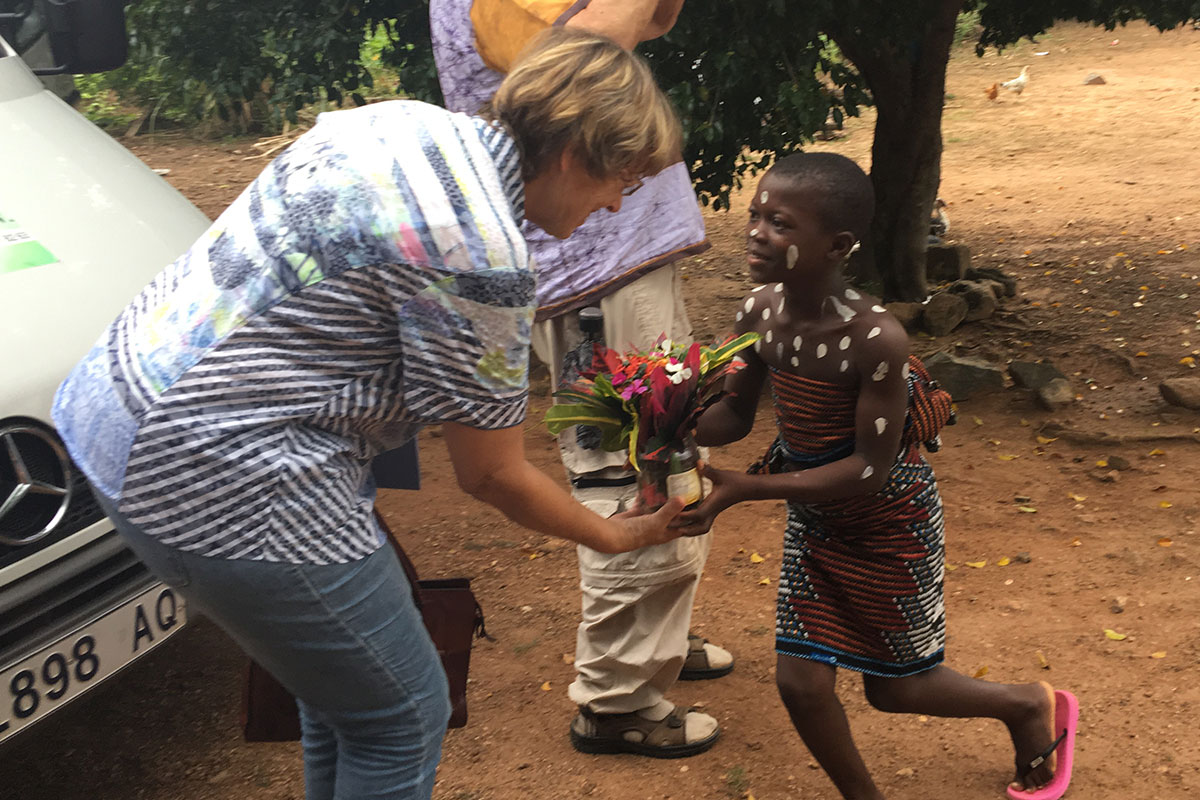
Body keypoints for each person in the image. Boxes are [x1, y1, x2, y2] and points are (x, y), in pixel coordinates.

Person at [50, 29, 688, 800]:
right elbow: (493, 475)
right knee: (402, 713)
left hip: (116, 405)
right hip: (215, 466)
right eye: (621, 177)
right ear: (574, 154)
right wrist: (616, 534)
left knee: (345, 694)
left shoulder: (398, 123)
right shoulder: (479, 253)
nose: (618, 202)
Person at [681, 152, 1077, 800]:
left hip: (890, 520)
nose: (756, 232)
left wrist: (746, 489)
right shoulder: (759, 313)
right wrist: (662, 421)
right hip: (816, 517)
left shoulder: (875, 338)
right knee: (799, 683)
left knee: (897, 690)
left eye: (779, 223)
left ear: (836, 246)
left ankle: (1026, 704)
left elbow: (870, 468)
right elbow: (732, 413)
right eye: (755, 215)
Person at [430, 0, 730, 758]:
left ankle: (654, 640)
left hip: (613, 266)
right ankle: (618, 695)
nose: (625, 185)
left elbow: (650, 22)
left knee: (665, 459)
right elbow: (594, 52)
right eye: (620, 176)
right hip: (595, 277)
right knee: (634, 473)